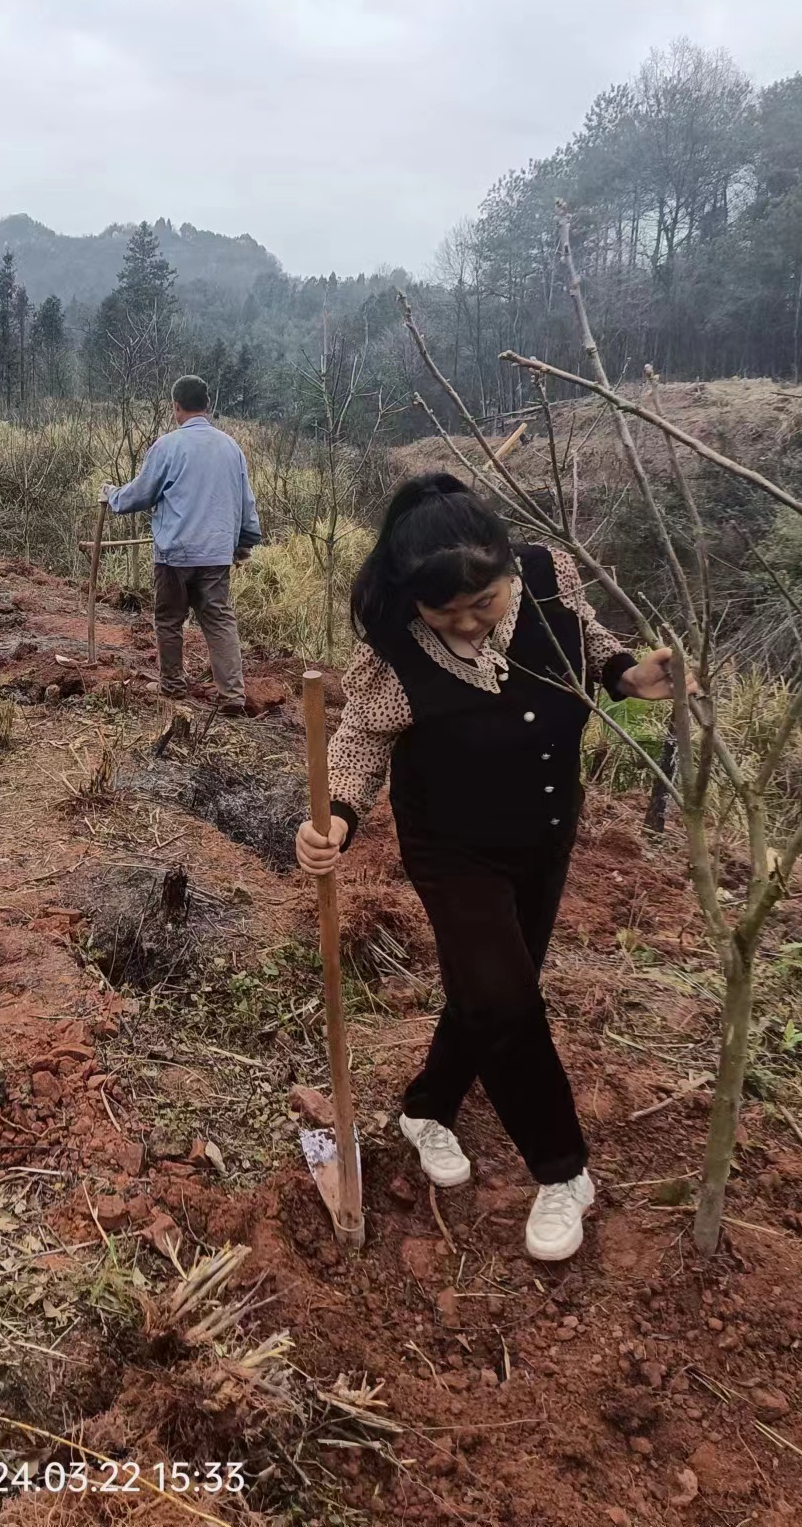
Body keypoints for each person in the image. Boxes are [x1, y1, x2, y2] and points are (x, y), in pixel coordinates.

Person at [295, 474, 686, 1263]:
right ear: (415, 603)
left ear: (511, 571)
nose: (470, 625)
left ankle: (427, 1106)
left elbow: (593, 648)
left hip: (544, 829)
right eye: (449, 615)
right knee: (504, 997)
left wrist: (630, 678)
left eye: (486, 603)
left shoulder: (547, 579)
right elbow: (363, 739)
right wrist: (332, 815)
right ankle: (563, 1169)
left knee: (490, 988)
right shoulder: (393, 647)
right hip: (450, 842)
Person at [102, 375, 260, 715]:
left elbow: (140, 494)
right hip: (217, 553)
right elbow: (247, 502)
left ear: (176, 406)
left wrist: (111, 495)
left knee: (170, 619)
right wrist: (245, 541)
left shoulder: (168, 446)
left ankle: (172, 684)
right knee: (219, 620)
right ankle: (232, 695)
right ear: (208, 405)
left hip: (175, 554)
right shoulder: (231, 448)